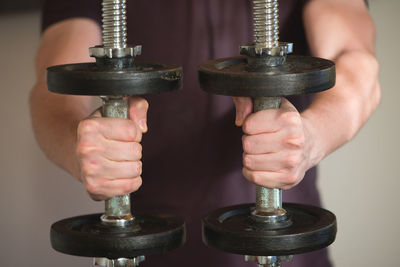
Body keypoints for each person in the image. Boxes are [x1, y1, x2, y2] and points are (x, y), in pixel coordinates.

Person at [29, 0, 380, 266]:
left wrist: (313, 137)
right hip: (144, 243)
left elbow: (355, 63)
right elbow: (52, 90)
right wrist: (80, 147)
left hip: (284, 241)